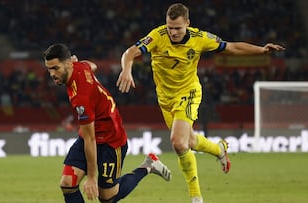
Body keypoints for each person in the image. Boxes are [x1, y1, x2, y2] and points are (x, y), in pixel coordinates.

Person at [116, 3, 285, 203]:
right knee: (189, 142)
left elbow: (231, 47)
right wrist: (127, 69)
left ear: (187, 23)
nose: (173, 32)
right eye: (170, 27)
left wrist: (261, 50)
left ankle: (196, 196)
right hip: (165, 99)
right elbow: (130, 53)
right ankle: (219, 150)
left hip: (188, 92)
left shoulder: (200, 38)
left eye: (178, 28)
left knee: (178, 143)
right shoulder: (158, 36)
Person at [43, 43, 171, 203]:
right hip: (90, 135)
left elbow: (91, 139)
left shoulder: (81, 97)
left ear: (68, 63)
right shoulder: (79, 66)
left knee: (107, 198)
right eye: (49, 69)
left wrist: (91, 177)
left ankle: (148, 166)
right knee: (67, 183)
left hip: (111, 140)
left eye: (56, 68)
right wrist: (78, 64)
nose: (52, 74)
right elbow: (92, 66)